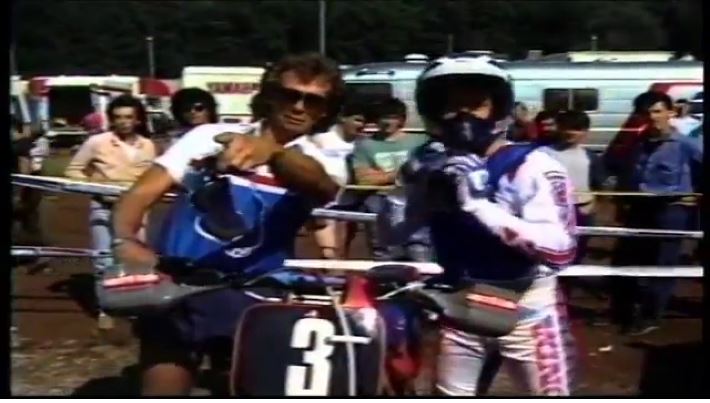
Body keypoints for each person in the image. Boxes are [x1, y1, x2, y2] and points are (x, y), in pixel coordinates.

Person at [111, 53, 347, 395]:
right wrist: (124, 239)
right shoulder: (208, 136)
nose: (299, 107)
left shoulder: (327, 157)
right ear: (270, 95)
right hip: (177, 284)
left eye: (313, 100)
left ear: (325, 110)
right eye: (290, 95)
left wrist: (273, 153)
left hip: (256, 293)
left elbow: (321, 186)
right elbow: (140, 193)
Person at [381, 54, 578, 395]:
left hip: (527, 309)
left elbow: (560, 250)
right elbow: (391, 234)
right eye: (451, 106)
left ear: (497, 107)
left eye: (475, 104)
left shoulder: (531, 166)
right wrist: (406, 189)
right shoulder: (433, 163)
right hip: (461, 305)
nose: (463, 116)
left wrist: (479, 205)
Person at [607, 91, 703, 336]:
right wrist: (620, 204)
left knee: (662, 264)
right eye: (646, 113)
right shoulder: (637, 144)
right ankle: (625, 311)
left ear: (670, 113)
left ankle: (650, 316)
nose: (652, 117)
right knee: (627, 260)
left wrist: (695, 196)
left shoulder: (686, 145)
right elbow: (627, 175)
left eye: (657, 111)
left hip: (671, 210)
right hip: (638, 207)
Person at [64, 94, 157, 329]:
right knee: (103, 258)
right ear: (111, 119)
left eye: (128, 117)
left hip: (136, 210)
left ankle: (135, 306)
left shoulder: (148, 146)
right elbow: (73, 170)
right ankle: (106, 309)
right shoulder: (97, 142)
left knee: (137, 259)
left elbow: (152, 177)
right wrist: (95, 186)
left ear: (138, 120)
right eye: (118, 117)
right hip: (103, 207)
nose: (123, 122)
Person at [351, 97, 430, 261]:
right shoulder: (365, 145)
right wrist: (403, 172)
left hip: (413, 198)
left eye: (392, 117)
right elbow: (364, 180)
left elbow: (427, 172)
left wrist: (381, 175)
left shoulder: (420, 142)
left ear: (402, 119)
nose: (386, 122)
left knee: (418, 248)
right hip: (380, 200)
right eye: (382, 117)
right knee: (384, 251)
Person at [544, 110, 607, 264]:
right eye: (566, 127)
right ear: (558, 128)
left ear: (585, 132)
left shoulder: (591, 157)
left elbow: (599, 186)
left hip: (581, 211)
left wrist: (592, 206)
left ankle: (572, 276)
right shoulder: (543, 154)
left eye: (577, 129)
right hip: (552, 211)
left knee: (578, 252)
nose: (570, 132)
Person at [307, 100, 367, 258]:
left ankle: (335, 272)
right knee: (329, 250)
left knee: (343, 246)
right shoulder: (319, 140)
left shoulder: (363, 144)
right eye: (357, 120)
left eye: (364, 122)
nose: (362, 125)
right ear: (342, 118)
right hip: (324, 200)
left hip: (350, 199)